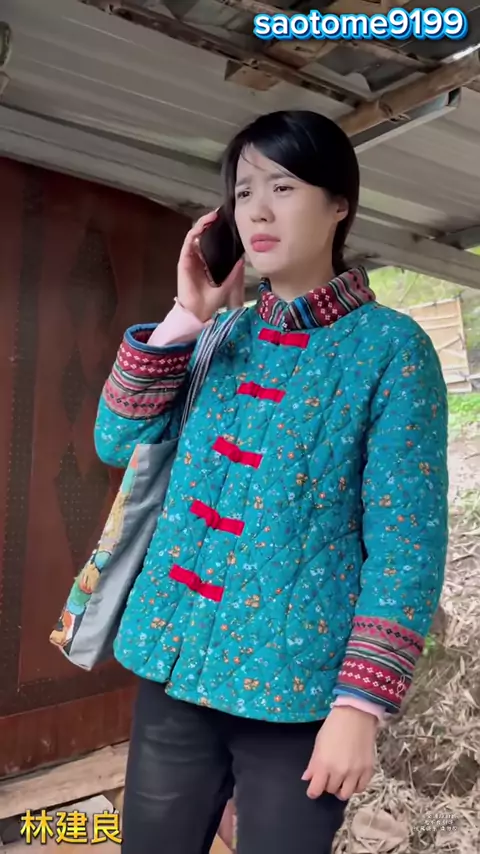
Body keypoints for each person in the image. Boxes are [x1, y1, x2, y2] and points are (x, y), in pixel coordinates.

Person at [94, 110, 449, 854]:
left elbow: (406, 547)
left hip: (299, 698)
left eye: (282, 187)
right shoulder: (220, 334)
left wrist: (359, 707)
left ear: (340, 203)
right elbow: (116, 442)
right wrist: (183, 318)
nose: (256, 210)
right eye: (243, 191)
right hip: (175, 665)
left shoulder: (392, 351)